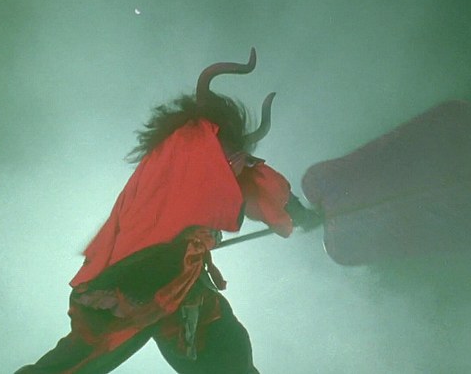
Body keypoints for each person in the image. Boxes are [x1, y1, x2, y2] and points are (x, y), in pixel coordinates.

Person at [16, 49, 317, 374]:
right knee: (221, 350)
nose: (238, 166)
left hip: (163, 280)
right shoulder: (197, 142)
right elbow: (258, 181)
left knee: (223, 349)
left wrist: (299, 213)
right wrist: (299, 213)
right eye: (236, 158)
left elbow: (255, 182)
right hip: (149, 277)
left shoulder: (182, 155)